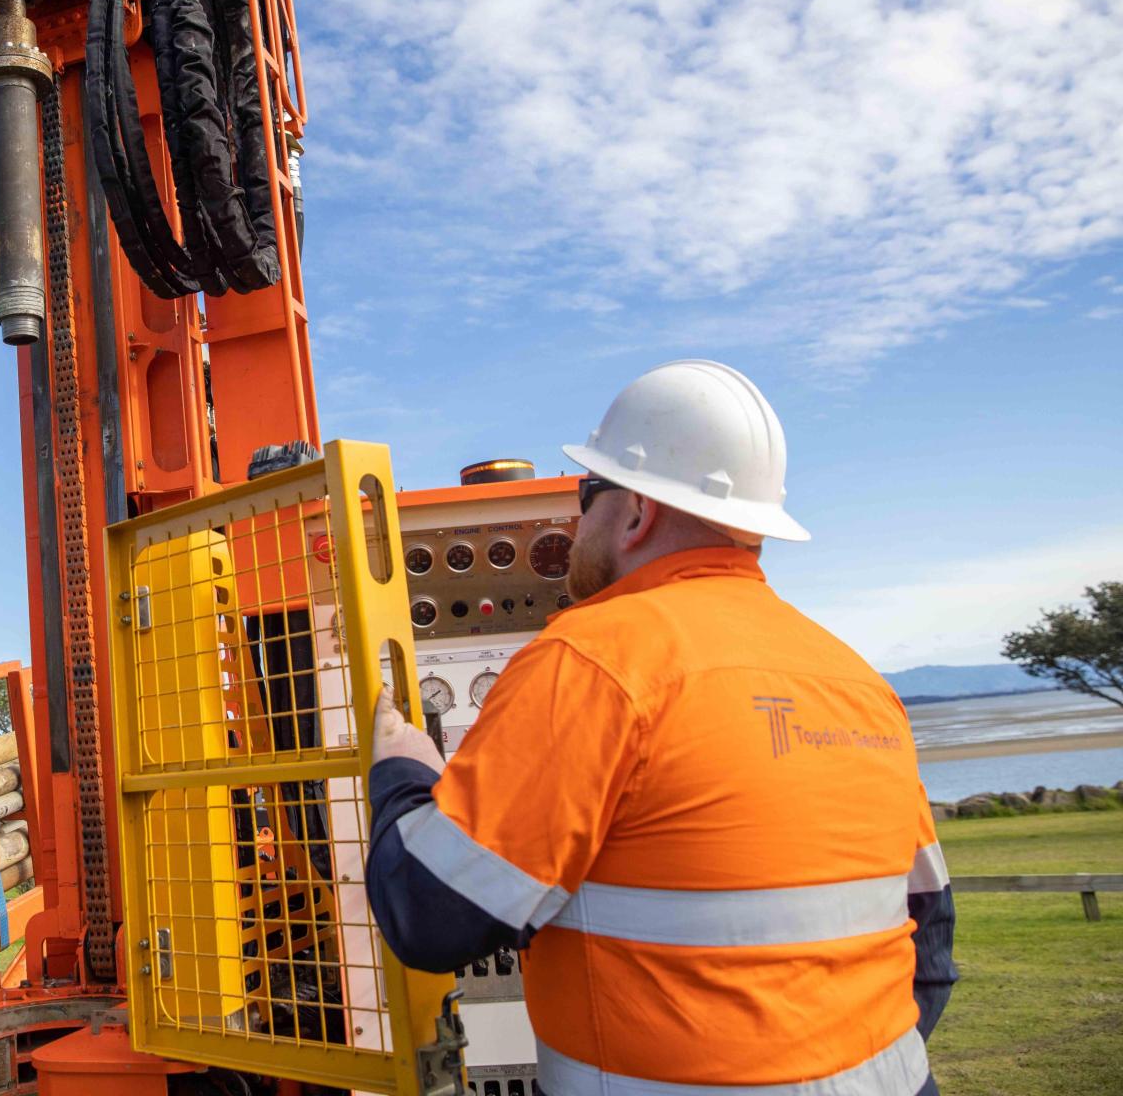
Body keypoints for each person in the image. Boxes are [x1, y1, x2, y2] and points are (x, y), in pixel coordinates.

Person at [365, 359, 957, 1096]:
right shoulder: (857, 680)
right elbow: (930, 938)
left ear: (636, 512)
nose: (577, 524)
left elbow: (429, 916)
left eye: (588, 495)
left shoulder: (588, 660)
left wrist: (403, 771)